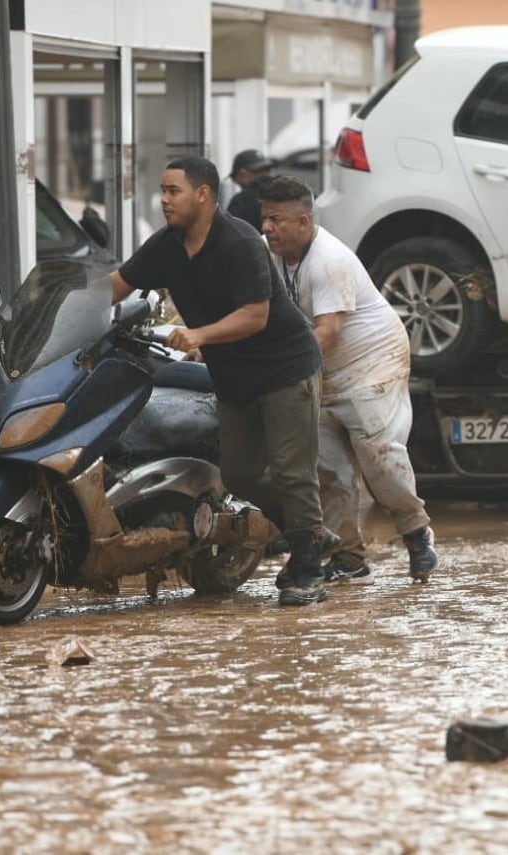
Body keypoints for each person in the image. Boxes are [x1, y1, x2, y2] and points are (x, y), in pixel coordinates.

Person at [109, 156, 331, 607]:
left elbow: (256, 315)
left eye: (174, 191)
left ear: (203, 195)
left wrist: (199, 334)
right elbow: (117, 284)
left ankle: (307, 569)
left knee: (292, 472)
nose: (164, 200)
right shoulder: (167, 246)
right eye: (163, 191)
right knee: (240, 474)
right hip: (234, 377)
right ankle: (310, 534)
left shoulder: (241, 242)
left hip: (284, 369)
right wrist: (66, 309)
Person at [255, 175, 440, 585]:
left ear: (303, 222)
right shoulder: (274, 255)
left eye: (276, 220)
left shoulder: (328, 260)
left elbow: (329, 330)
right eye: (264, 218)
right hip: (321, 368)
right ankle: (349, 558)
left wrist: (278, 371)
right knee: (328, 470)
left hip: (372, 360)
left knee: (379, 456)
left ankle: (416, 532)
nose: (267, 228)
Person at [226, 148, 277, 233]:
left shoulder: (241, 200)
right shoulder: (291, 191)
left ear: (243, 174)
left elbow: (229, 233)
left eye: (237, 181)